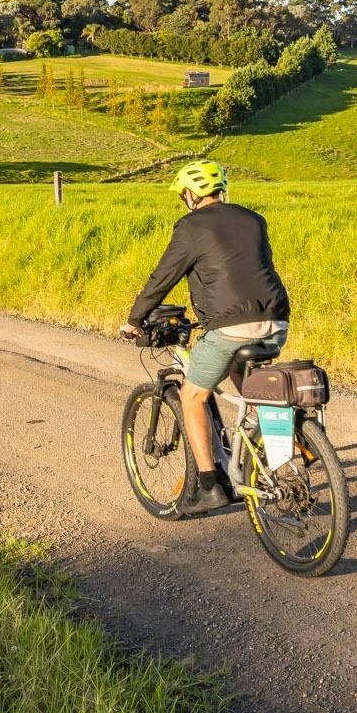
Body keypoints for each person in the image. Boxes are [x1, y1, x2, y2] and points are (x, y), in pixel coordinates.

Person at [120, 160, 290, 490]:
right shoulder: (254, 219)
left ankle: (210, 486)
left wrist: (134, 321)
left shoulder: (191, 226)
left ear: (190, 193)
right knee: (245, 380)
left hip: (231, 325)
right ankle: (289, 447)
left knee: (192, 396)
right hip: (276, 319)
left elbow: (162, 278)